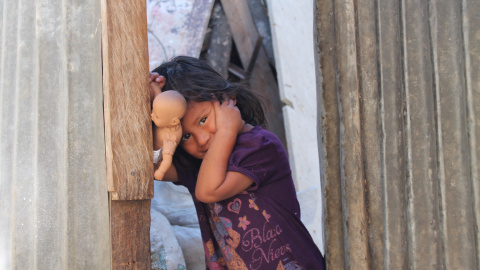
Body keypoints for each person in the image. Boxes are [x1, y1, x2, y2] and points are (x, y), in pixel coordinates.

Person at [149, 56, 325, 270]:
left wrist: (226, 129)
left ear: (228, 98)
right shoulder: (200, 168)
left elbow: (208, 191)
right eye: (186, 136)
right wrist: (159, 113)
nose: (202, 139)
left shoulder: (259, 146)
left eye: (203, 120)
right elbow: (152, 166)